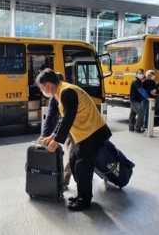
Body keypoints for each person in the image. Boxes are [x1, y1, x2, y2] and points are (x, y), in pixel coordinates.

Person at [37, 68, 111, 211]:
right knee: (73, 161)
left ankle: (84, 201)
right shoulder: (60, 93)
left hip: (93, 134)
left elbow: (68, 119)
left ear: (48, 85)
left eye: (41, 88)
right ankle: (82, 194)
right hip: (84, 135)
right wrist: (52, 135)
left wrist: (56, 141)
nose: (42, 91)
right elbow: (63, 118)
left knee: (82, 168)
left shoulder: (67, 92)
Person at [37, 72, 72, 189]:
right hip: (61, 130)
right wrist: (45, 134)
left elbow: (67, 118)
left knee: (72, 155)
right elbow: (50, 116)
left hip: (73, 130)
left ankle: (63, 181)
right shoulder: (54, 98)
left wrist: (55, 138)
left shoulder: (68, 93)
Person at [128, 68, 152, 133]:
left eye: (142, 73)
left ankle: (131, 127)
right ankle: (138, 128)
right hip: (134, 100)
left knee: (133, 113)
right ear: (136, 74)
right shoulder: (136, 81)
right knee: (141, 114)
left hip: (136, 99)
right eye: (139, 73)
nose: (141, 74)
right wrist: (148, 97)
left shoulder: (139, 81)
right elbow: (141, 90)